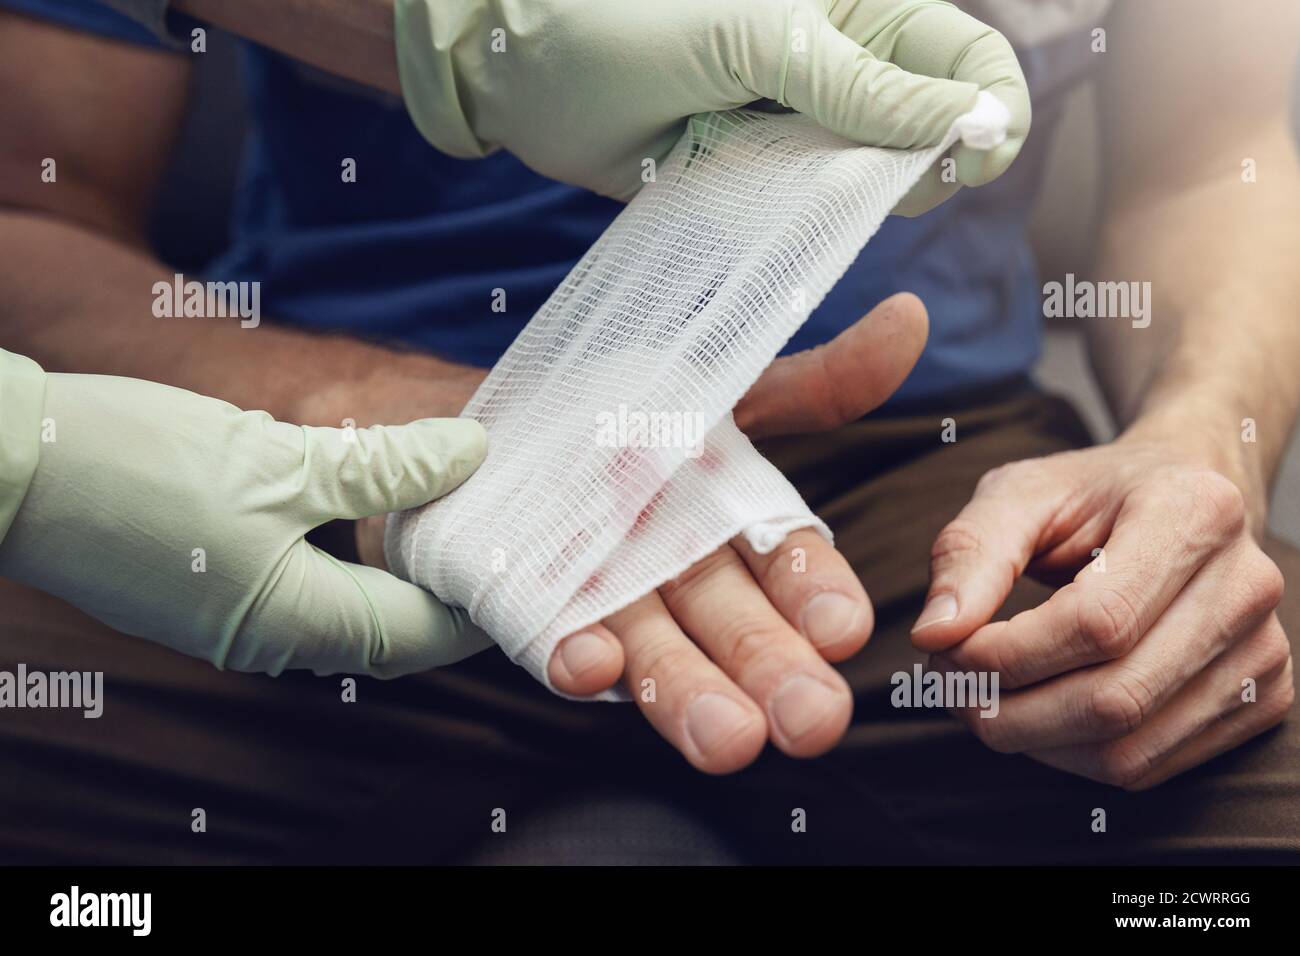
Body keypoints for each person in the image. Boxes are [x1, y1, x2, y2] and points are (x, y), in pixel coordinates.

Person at [0, 0, 1297, 864]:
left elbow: (1211, 155)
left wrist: (1198, 444)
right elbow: (32, 209)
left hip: (935, 480)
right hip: (324, 464)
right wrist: (338, 403)